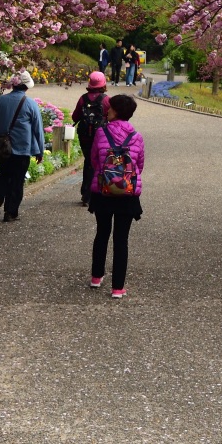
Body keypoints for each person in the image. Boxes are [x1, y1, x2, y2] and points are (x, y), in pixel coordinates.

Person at [86, 93, 145, 298]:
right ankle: (117, 288)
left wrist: (108, 177)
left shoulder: (102, 133)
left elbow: (94, 160)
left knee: (102, 233)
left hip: (103, 192)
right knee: (121, 239)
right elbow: (140, 166)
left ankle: (96, 277)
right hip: (127, 194)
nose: (107, 110)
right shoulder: (136, 137)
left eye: (110, 108)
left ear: (117, 111)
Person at [0, 70, 46, 222]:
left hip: (3, 148)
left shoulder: (0, 101)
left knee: (4, 174)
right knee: (17, 180)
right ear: (26, 87)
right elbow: (38, 129)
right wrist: (40, 151)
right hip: (22, 148)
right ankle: (10, 212)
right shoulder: (30, 104)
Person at [70, 70, 112, 211]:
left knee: (88, 161)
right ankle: (94, 192)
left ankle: (86, 193)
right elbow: (111, 117)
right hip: (100, 135)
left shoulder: (83, 98)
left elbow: (75, 117)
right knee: (99, 162)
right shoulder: (106, 100)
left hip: (84, 136)